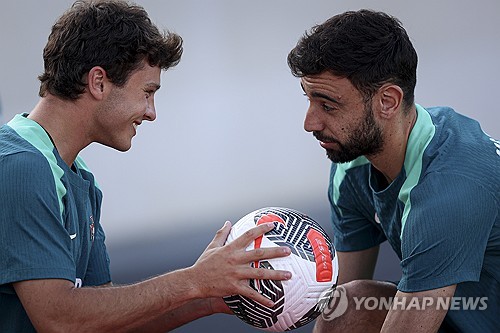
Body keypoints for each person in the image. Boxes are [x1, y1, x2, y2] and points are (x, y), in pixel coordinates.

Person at [0, 1, 293, 332]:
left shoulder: (80, 181)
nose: (151, 112)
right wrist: (194, 280)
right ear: (98, 82)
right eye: (147, 92)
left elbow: (103, 323)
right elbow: (61, 319)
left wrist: (208, 296)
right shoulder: (20, 167)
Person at [287, 9, 499, 333]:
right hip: (459, 315)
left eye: (328, 105)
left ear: (388, 101)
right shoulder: (352, 168)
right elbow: (342, 304)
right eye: (309, 100)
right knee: (348, 308)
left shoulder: (448, 191)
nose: (309, 123)